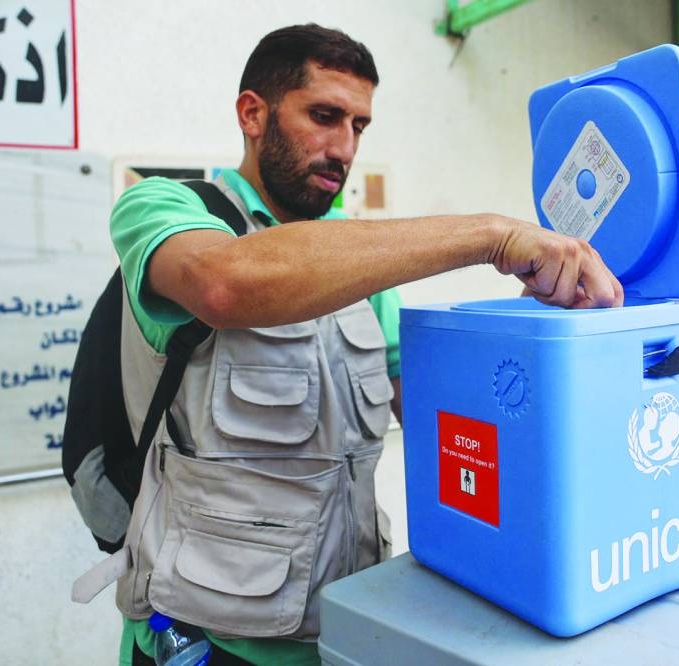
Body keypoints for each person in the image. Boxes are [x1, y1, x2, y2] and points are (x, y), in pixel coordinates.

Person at [111, 24, 621, 665]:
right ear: (252, 114)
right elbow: (224, 284)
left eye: (359, 126)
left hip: (344, 626)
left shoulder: (362, 271)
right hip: (204, 642)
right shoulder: (165, 208)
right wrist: (492, 234)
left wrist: (537, 326)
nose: (343, 147)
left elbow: (449, 424)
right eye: (324, 116)